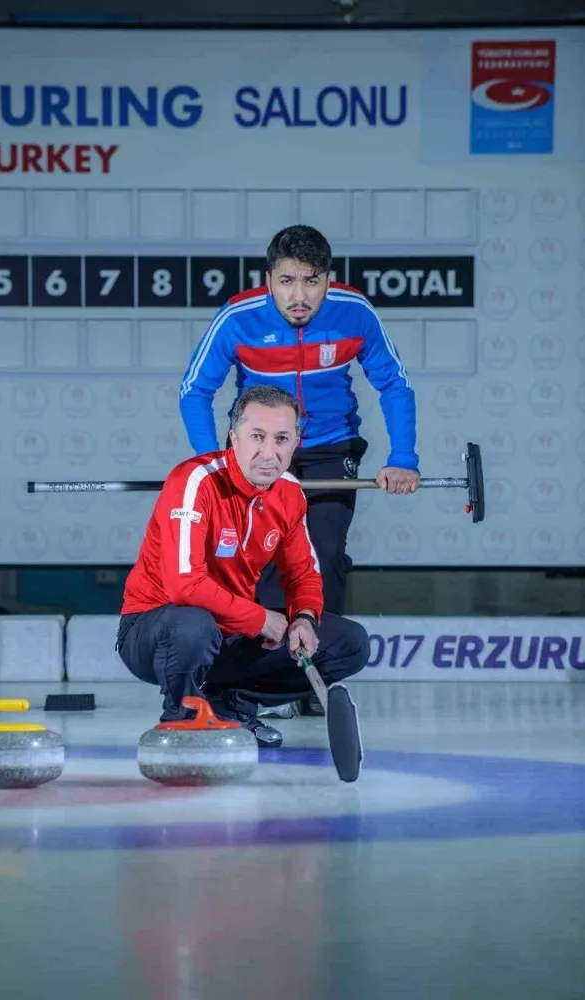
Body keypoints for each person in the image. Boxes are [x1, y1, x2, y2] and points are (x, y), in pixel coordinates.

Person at [179, 224, 420, 620]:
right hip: (262, 448)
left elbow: (394, 384)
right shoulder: (238, 318)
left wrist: (404, 458)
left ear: (328, 279)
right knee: (264, 554)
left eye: (312, 282)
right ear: (268, 279)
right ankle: (262, 668)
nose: (299, 296)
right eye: (287, 281)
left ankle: (320, 662)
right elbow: (194, 391)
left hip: (332, 444)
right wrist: (214, 462)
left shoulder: (354, 312)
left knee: (323, 555)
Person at [116, 385, 370, 748]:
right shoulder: (194, 481)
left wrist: (304, 619)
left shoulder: (289, 492)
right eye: (257, 437)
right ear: (233, 438)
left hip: (230, 632)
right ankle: (183, 717)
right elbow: (183, 586)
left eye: (281, 438)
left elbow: (303, 574)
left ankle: (230, 707)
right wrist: (261, 620)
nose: (269, 452)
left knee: (350, 643)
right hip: (154, 630)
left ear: (296, 441)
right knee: (193, 624)